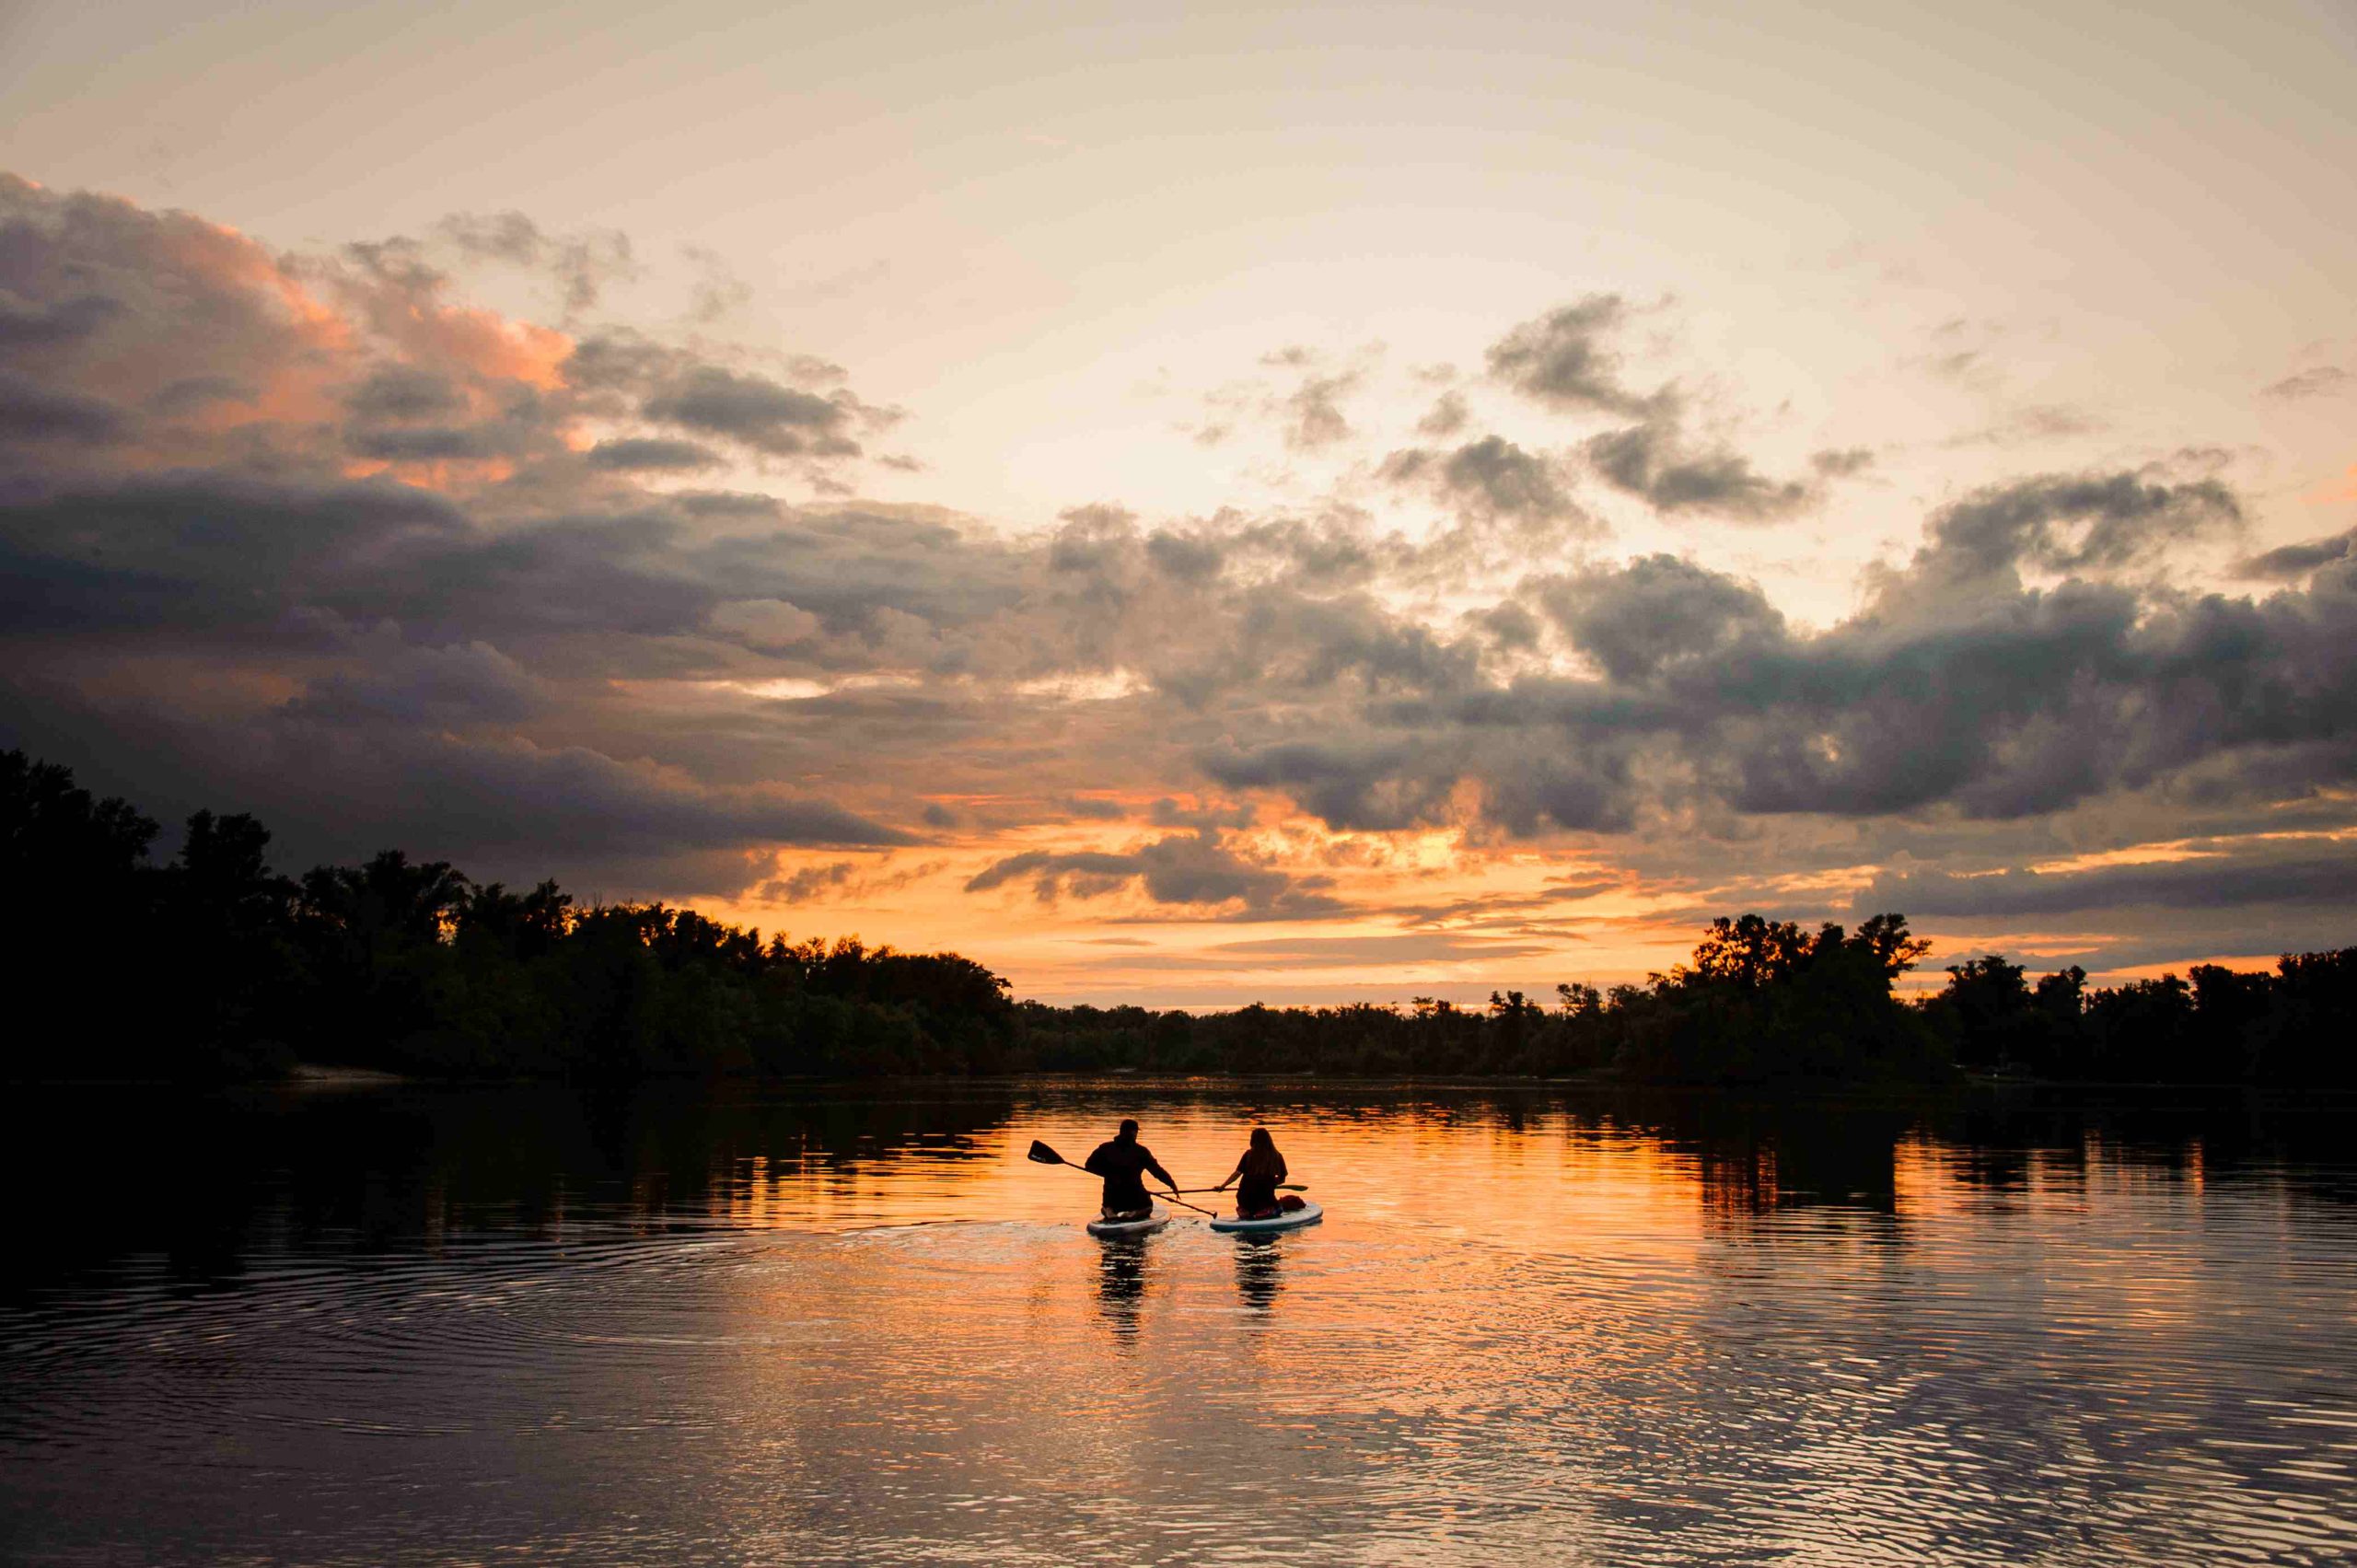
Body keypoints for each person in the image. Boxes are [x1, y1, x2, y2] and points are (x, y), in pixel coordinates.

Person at [1083, 1119, 1178, 1220]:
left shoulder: (1105, 1148)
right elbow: (1157, 1171)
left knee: (1107, 1204)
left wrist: (1108, 1173)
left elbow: (1088, 1165)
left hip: (1112, 1198)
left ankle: (1109, 1211)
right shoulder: (1141, 1152)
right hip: (1135, 1197)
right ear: (1133, 1132)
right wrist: (1172, 1185)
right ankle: (1132, 1215)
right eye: (1136, 1132)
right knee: (1148, 1207)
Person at [1215, 1126, 1295, 1220]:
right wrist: (1272, 1183)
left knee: (1248, 1200)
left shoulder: (1248, 1154)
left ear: (1252, 1140)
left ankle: (1245, 1210)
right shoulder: (1277, 1156)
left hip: (1243, 1199)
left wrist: (1223, 1186)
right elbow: (1282, 1179)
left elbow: (1237, 1173)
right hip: (1265, 1200)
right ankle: (1266, 1211)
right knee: (1279, 1208)